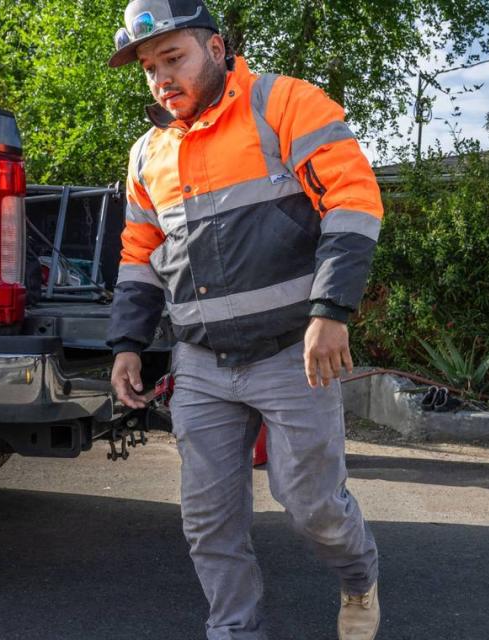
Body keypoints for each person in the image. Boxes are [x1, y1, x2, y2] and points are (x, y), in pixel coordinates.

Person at [106, 1, 383, 638]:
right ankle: (235, 631)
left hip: (294, 353)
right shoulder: (148, 154)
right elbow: (139, 256)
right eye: (149, 68)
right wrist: (126, 342)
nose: (161, 78)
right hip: (201, 364)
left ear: (218, 46)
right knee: (207, 521)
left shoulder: (285, 105)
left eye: (173, 58)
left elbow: (352, 200)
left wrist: (330, 311)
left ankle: (359, 576)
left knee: (312, 506)